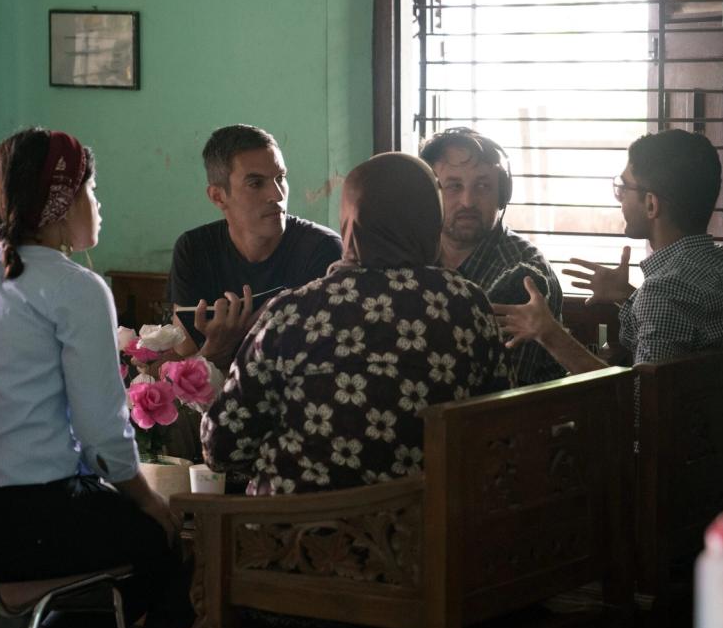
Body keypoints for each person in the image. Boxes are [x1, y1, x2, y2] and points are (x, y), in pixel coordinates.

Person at [0, 128, 188, 628]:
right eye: (91, 189)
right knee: (164, 543)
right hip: (24, 531)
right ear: (62, 201)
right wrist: (149, 501)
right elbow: (100, 436)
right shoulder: (74, 288)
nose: (98, 203)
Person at [201, 152, 509, 495]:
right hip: (430, 536)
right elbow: (496, 428)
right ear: (431, 220)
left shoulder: (292, 313)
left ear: (349, 221)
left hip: (296, 539)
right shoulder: (467, 304)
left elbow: (221, 447)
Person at [493, 129, 723, 372]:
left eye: (624, 187)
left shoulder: (661, 293)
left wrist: (549, 333)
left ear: (651, 204)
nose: (619, 197)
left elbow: (641, 405)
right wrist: (626, 295)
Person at [168, 124, 342, 364]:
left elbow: (321, 357)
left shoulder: (322, 249)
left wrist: (235, 343)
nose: (278, 195)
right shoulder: (194, 249)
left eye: (280, 178)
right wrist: (217, 349)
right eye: (256, 184)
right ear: (218, 196)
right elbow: (184, 352)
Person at [419, 127, 565, 387]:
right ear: (429, 194)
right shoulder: (411, 254)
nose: (468, 201)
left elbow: (502, 387)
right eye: (453, 186)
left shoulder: (524, 272)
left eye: (483, 186)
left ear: (502, 195)